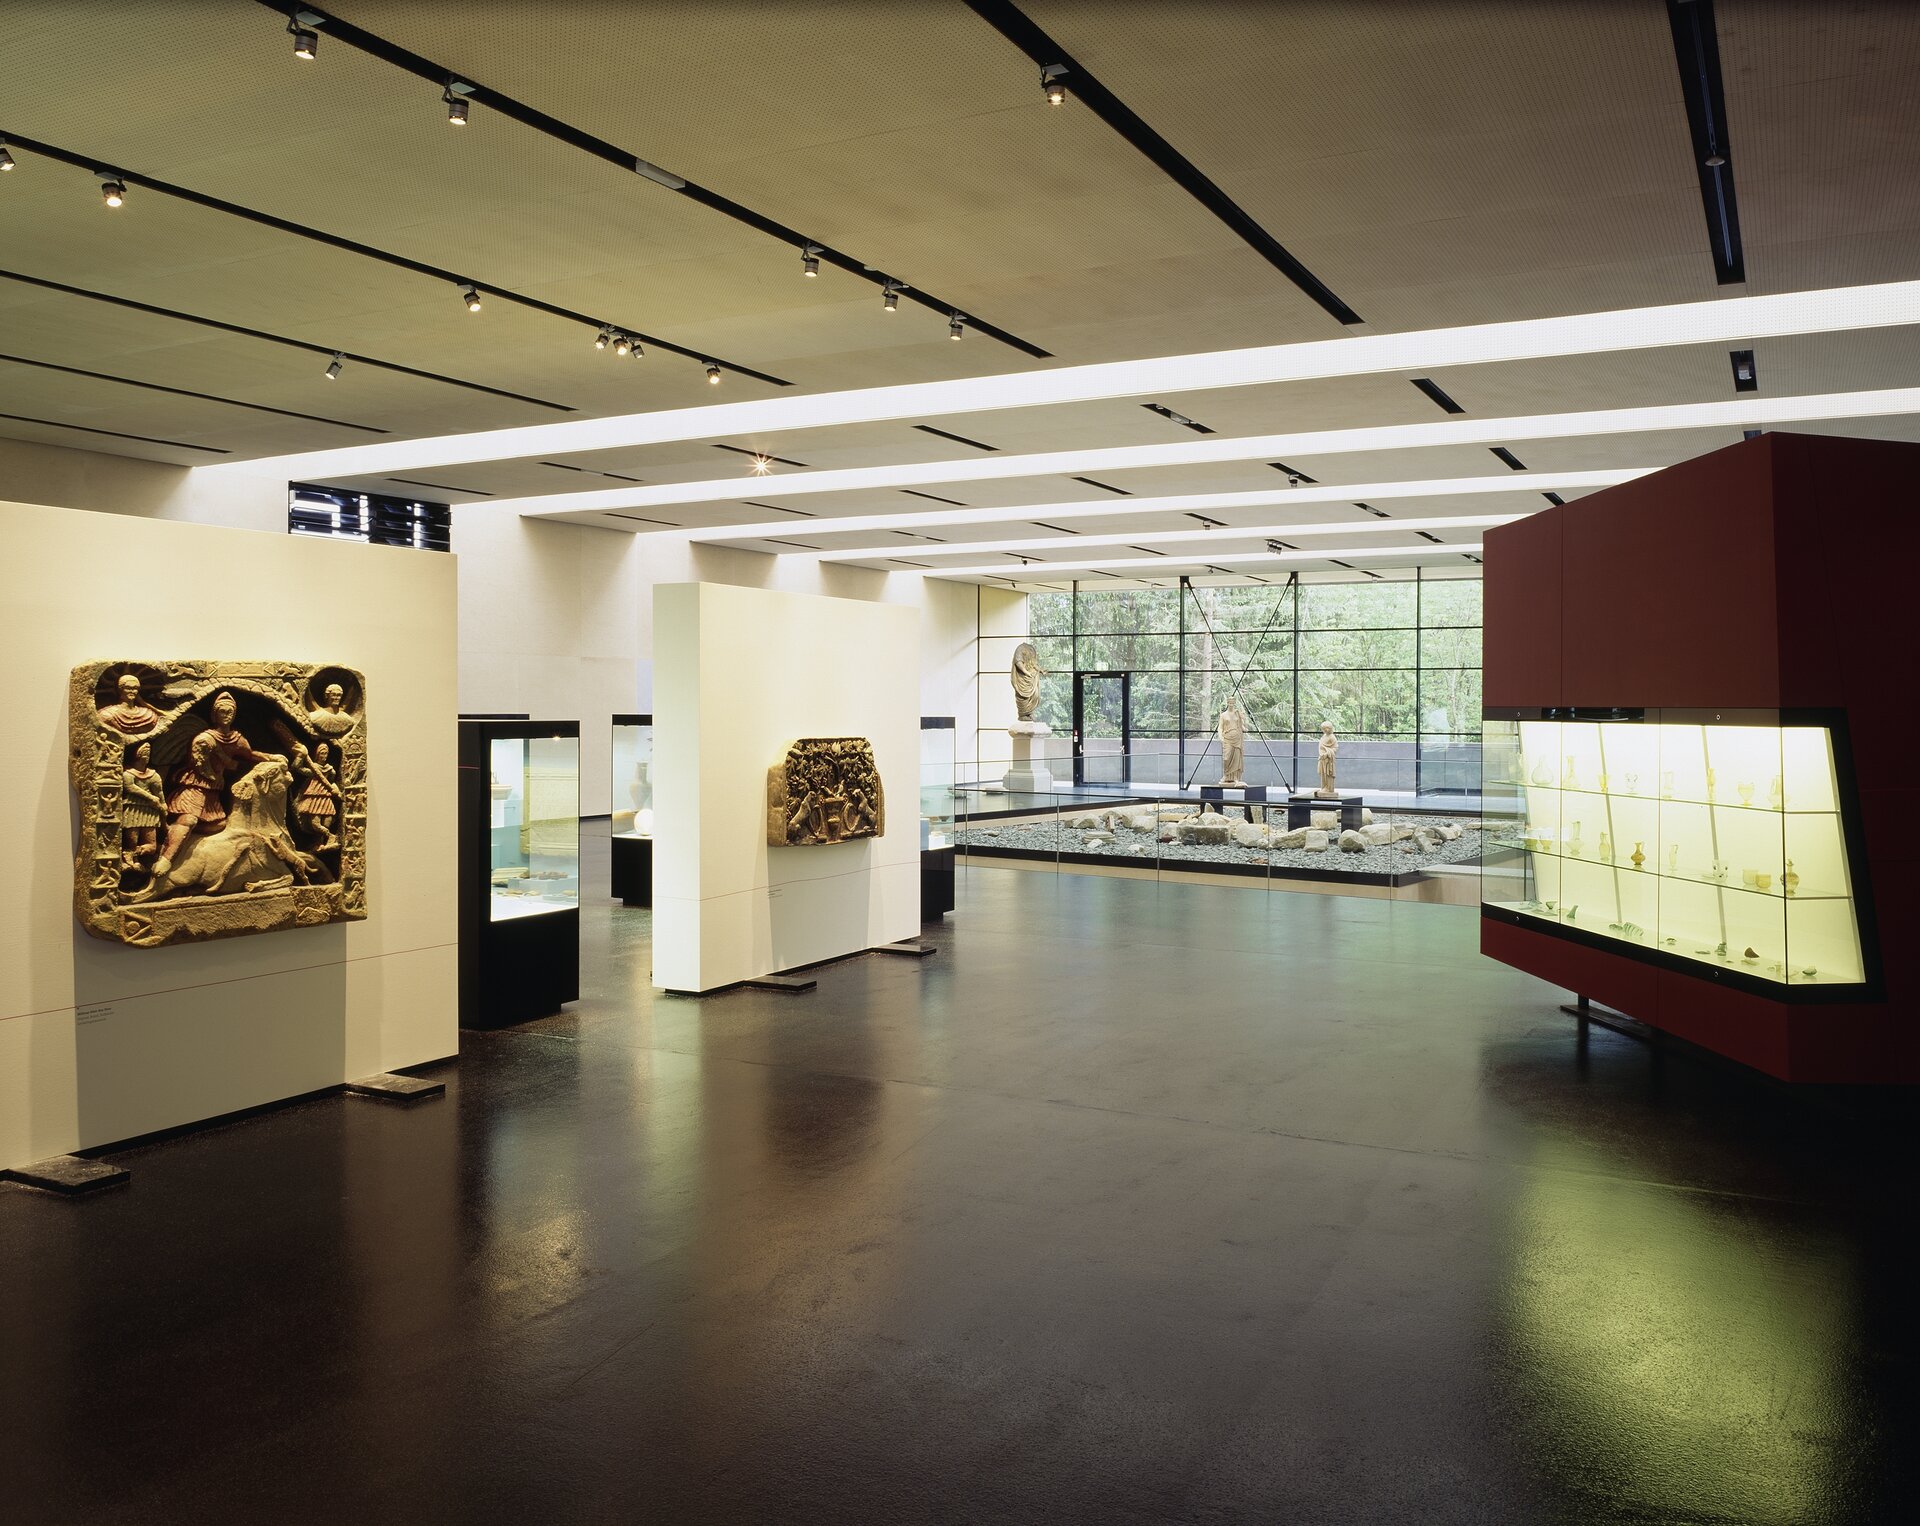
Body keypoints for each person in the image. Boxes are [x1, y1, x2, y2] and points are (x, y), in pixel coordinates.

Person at [153, 691, 282, 875]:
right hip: (195, 786)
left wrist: (272, 758)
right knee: (189, 820)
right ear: (214, 715)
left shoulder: (236, 739)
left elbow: (250, 754)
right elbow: (201, 766)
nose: (227, 715)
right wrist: (222, 768)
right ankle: (166, 859)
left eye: (230, 712)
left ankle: (175, 834)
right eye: (222, 711)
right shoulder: (205, 739)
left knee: (220, 826)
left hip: (212, 792)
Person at [119, 741, 166, 870]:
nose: (147, 756)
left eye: (148, 754)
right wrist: (151, 797)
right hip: (133, 808)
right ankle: (130, 859)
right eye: (144, 753)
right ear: (137, 755)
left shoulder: (153, 775)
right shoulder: (128, 774)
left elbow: (159, 791)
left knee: (152, 847)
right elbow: (130, 787)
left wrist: (163, 804)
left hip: (150, 812)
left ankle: (132, 854)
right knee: (132, 841)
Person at [292, 741, 343, 850]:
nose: (324, 756)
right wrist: (301, 756)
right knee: (315, 824)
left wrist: (335, 789)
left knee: (327, 823)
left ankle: (320, 843)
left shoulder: (331, 770)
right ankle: (330, 836)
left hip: (326, 798)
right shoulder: (314, 769)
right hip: (314, 797)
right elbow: (297, 768)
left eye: (326, 754)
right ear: (317, 754)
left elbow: (332, 782)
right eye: (322, 753)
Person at [1218, 699, 1247, 786]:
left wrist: (1244, 725)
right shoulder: (1223, 715)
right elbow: (1220, 727)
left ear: (1234, 703)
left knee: (1236, 758)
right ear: (1227, 703)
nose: (1231, 704)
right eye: (1229, 703)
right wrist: (1220, 736)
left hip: (1237, 738)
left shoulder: (1237, 714)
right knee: (1226, 758)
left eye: (1232, 703)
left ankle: (1235, 777)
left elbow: (1241, 724)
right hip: (1227, 738)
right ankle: (1226, 775)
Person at [1316, 721, 1339, 798]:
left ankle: (1329, 788)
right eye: (1323, 728)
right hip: (1322, 759)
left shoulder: (1332, 737)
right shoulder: (1323, 736)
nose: (1325, 730)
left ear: (1330, 728)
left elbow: (1335, 748)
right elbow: (1321, 747)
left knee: (1328, 774)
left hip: (1329, 759)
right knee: (1323, 774)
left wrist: (1327, 753)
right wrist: (1322, 754)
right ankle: (1324, 787)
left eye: (1327, 728)